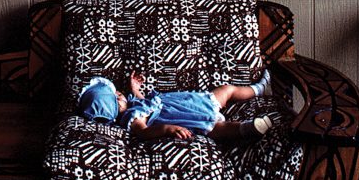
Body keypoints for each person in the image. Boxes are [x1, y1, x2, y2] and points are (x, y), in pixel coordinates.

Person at [77, 70, 274, 141]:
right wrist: (166, 128)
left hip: (192, 102)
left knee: (226, 91)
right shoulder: (132, 118)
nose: (120, 93)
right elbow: (143, 132)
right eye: (117, 95)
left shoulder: (133, 106)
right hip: (185, 116)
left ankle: (259, 89)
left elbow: (141, 101)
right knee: (218, 128)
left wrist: (134, 87)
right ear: (116, 108)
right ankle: (248, 128)